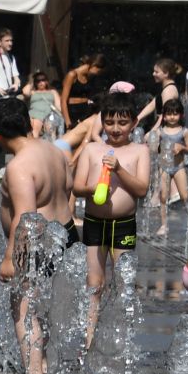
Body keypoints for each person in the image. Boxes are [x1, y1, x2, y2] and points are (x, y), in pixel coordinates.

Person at [0, 96, 75, 374]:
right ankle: (43, 366)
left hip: (39, 242)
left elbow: (25, 219)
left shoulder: (19, 167)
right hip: (64, 233)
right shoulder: (54, 150)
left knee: (24, 308)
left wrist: (10, 257)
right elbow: (70, 190)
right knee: (41, 307)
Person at [70, 92, 150, 295]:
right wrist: (92, 189)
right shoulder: (92, 149)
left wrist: (120, 169)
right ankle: (90, 327)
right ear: (102, 122)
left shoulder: (140, 151)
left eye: (122, 123)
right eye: (109, 122)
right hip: (94, 222)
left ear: (134, 122)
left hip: (123, 224)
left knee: (124, 284)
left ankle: (122, 326)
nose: (115, 129)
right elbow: (77, 187)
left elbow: (142, 190)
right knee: (94, 284)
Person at [149, 99, 188, 238]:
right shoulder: (161, 132)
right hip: (164, 167)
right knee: (163, 196)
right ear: (164, 116)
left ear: (181, 115)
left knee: (185, 196)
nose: (172, 117)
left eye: (175, 114)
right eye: (168, 114)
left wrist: (182, 148)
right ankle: (163, 225)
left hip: (179, 167)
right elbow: (151, 144)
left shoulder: (184, 132)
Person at [61, 52, 107, 129]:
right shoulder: (72, 75)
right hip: (73, 111)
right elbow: (63, 100)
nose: (97, 74)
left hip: (85, 110)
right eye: (98, 72)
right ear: (94, 66)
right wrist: (68, 122)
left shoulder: (89, 77)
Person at [26, 69, 59, 139]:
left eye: (43, 80)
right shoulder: (33, 92)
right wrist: (31, 80)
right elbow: (25, 92)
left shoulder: (52, 91)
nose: (41, 82)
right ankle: (34, 146)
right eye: (38, 81)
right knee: (35, 129)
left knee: (51, 134)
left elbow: (58, 106)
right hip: (34, 114)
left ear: (46, 81)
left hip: (49, 114)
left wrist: (58, 116)